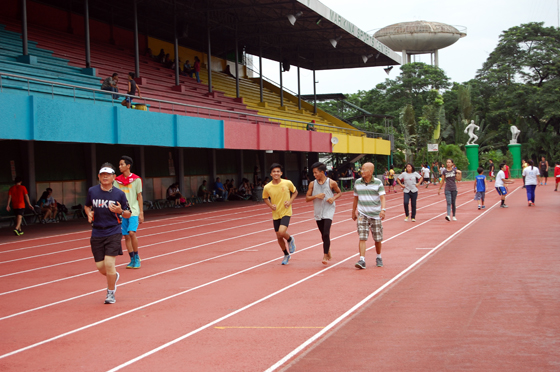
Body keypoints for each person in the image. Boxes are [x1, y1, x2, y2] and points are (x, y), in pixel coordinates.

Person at [84, 163, 131, 304]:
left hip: (113, 231)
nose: (105, 176)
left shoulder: (119, 194)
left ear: (114, 177)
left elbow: (128, 213)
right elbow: (87, 205)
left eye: (108, 174)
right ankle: (113, 276)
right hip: (97, 232)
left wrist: (120, 212)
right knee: (101, 267)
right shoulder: (92, 191)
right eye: (103, 174)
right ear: (98, 176)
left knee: (110, 264)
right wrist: (88, 214)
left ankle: (110, 293)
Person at [306, 162, 341, 264]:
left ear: (322, 172)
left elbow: (339, 193)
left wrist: (333, 198)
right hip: (318, 211)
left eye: (316, 173)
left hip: (328, 210)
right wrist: (316, 196)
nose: (314, 175)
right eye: (313, 173)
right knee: (323, 234)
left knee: (326, 232)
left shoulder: (332, 183)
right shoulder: (312, 184)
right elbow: (307, 198)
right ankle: (328, 249)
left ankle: (325, 255)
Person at [262, 163, 298, 265]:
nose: (276, 173)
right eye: (274, 172)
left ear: (281, 173)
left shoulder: (287, 183)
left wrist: (290, 201)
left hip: (286, 211)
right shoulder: (267, 187)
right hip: (276, 213)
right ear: (271, 174)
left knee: (282, 232)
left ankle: (290, 239)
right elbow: (265, 198)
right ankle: (286, 254)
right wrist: (270, 205)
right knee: (278, 236)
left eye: (278, 171)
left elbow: (295, 192)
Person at [352, 162, 386, 269]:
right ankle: (362, 260)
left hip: (375, 214)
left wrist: (383, 210)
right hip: (362, 213)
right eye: (361, 169)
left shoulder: (378, 183)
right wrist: (353, 211)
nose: (361, 171)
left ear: (371, 172)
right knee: (362, 236)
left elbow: (382, 198)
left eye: (364, 170)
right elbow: (355, 198)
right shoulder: (357, 182)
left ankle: (378, 256)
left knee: (377, 238)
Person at [114, 155, 144, 269]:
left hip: (134, 211)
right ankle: (131, 259)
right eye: (119, 164)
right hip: (122, 211)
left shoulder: (137, 179)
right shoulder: (117, 181)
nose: (120, 166)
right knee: (126, 236)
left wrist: (141, 212)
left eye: (122, 164)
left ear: (128, 166)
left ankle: (137, 257)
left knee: (132, 233)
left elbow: (139, 196)